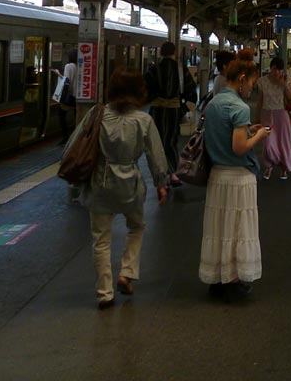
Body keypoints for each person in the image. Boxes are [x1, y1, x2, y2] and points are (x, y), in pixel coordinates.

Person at [66, 67, 168, 309]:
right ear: (139, 92)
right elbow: (157, 156)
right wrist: (161, 184)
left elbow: (73, 145)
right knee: (136, 227)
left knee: (100, 239)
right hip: (130, 184)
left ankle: (104, 293)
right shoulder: (144, 120)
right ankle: (127, 272)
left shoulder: (97, 114)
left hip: (100, 185)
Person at [199, 49, 272, 300]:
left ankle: (217, 279)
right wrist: (260, 136)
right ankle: (232, 280)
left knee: (220, 230)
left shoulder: (214, 103)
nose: (252, 88)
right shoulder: (238, 107)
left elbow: (225, 136)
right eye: (251, 83)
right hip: (238, 179)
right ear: (242, 78)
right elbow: (239, 148)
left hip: (217, 176)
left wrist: (247, 131)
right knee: (237, 229)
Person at [145, 41, 196, 185]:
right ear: (174, 52)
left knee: (157, 141)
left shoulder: (154, 69)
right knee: (171, 141)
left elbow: (145, 89)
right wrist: (184, 107)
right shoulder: (180, 70)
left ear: (161, 52)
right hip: (174, 111)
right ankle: (173, 173)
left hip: (156, 111)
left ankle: (160, 176)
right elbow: (191, 90)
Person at [256, 56, 291, 180]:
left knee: (283, 142)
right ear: (270, 68)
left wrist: (284, 85)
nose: (276, 72)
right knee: (268, 143)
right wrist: (257, 116)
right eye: (274, 69)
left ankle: (283, 168)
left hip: (281, 114)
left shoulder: (286, 80)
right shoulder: (262, 81)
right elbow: (260, 100)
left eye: (279, 70)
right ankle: (270, 165)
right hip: (266, 113)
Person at [52, 48, 78, 143]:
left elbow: (66, 81)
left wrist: (58, 73)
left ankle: (66, 137)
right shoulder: (81, 65)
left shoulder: (69, 66)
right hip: (78, 97)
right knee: (77, 117)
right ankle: (76, 137)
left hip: (69, 95)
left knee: (61, 115)